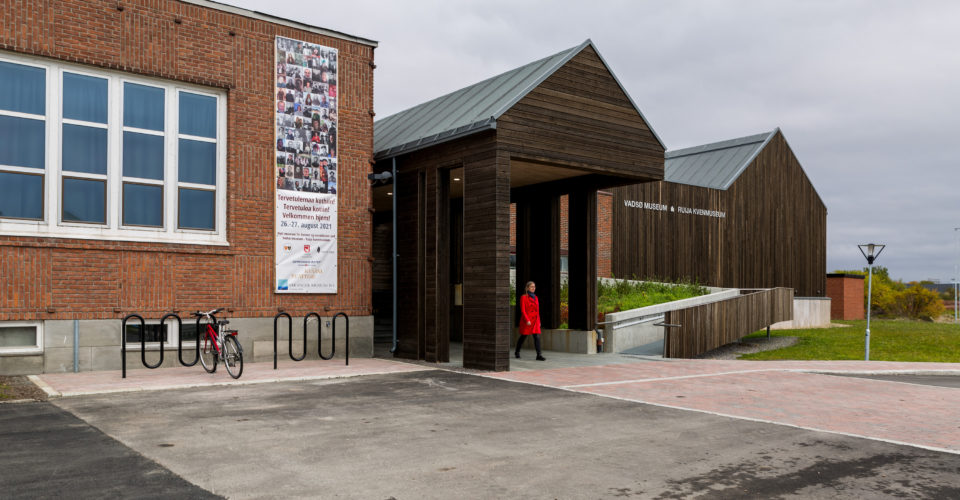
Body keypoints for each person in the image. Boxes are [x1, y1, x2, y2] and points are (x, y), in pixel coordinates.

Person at [515, 281, 545, 360]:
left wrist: (539, 321)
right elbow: (523, 310)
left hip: (535, 320)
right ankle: (517, 351)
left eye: (534, 286)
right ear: (527, 288)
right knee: (523, 336)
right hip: (527, 321)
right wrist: (527, 320)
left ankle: (539, 355)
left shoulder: (536, 297)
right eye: (531, 287)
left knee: (537, 337)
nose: (533, 288)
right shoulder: (523, 297)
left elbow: (537, 310)